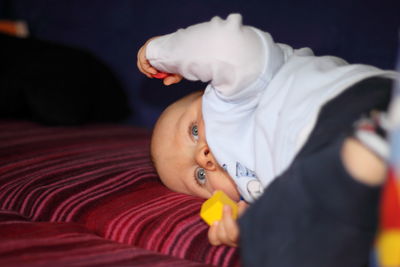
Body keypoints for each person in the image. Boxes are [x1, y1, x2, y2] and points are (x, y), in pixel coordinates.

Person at [137, 13, 397, 264]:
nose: (201, 157)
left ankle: (370, 147)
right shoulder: (254, 192)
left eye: (193, 131)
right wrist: (247, 230)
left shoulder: (233, 98)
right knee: (275, 249)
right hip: (346, 192)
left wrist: (160, 52)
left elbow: (227, 46)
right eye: (200, 177)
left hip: (345, 108)